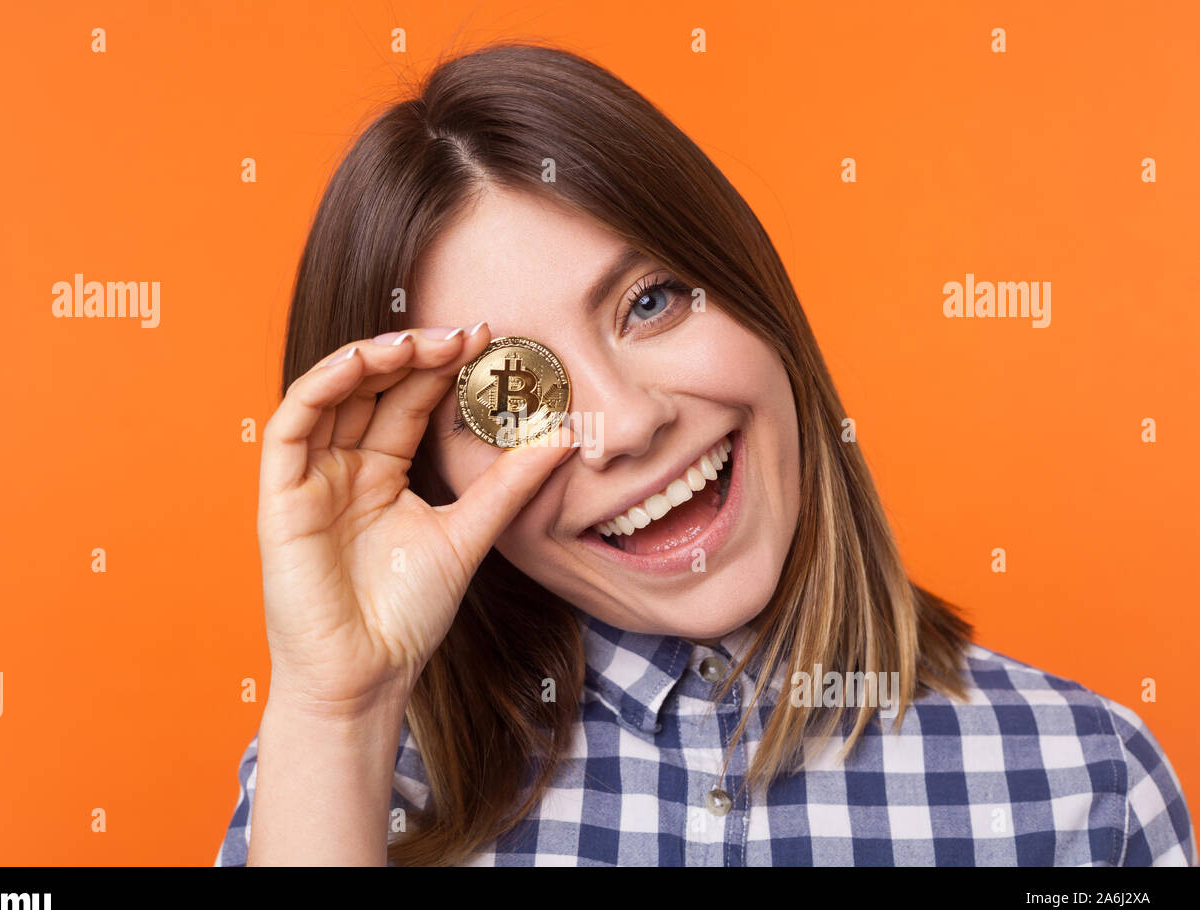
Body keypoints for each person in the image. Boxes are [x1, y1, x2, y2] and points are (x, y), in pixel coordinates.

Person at [214, 42, 1194, 866]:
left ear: (753, 295)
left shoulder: (1085, 782)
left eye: (651, 301)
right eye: (508, 394)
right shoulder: (341, 778)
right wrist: (339, 710)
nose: (626, 423)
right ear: (421, 478)